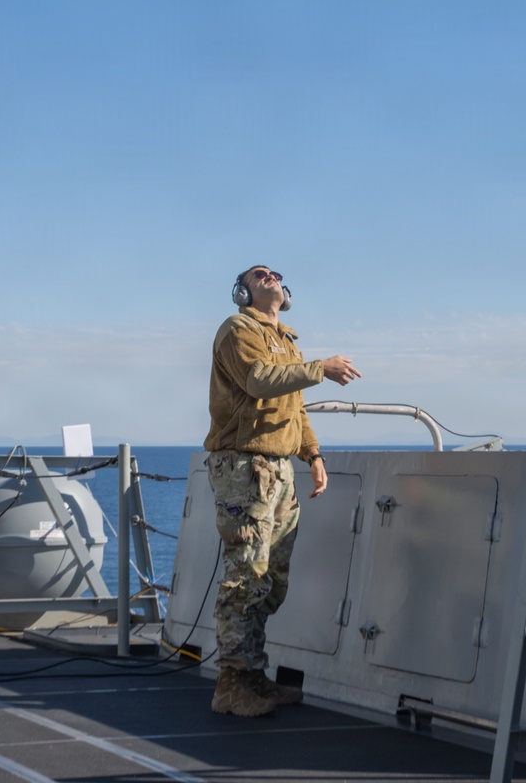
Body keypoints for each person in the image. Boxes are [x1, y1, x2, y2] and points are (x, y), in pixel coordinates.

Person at [204, 264, 361, 718]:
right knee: (244, 576)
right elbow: (258, 380)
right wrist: (319, 369)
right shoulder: (239, 328)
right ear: (243, 291)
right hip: (244, 466)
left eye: (274, 273)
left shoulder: (287, 341)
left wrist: (312, 456)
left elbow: (294, 407)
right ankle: (230, 683)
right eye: (258, 274)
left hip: (277, 469)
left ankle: (253, 676)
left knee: (270, 578)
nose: (269, 276)